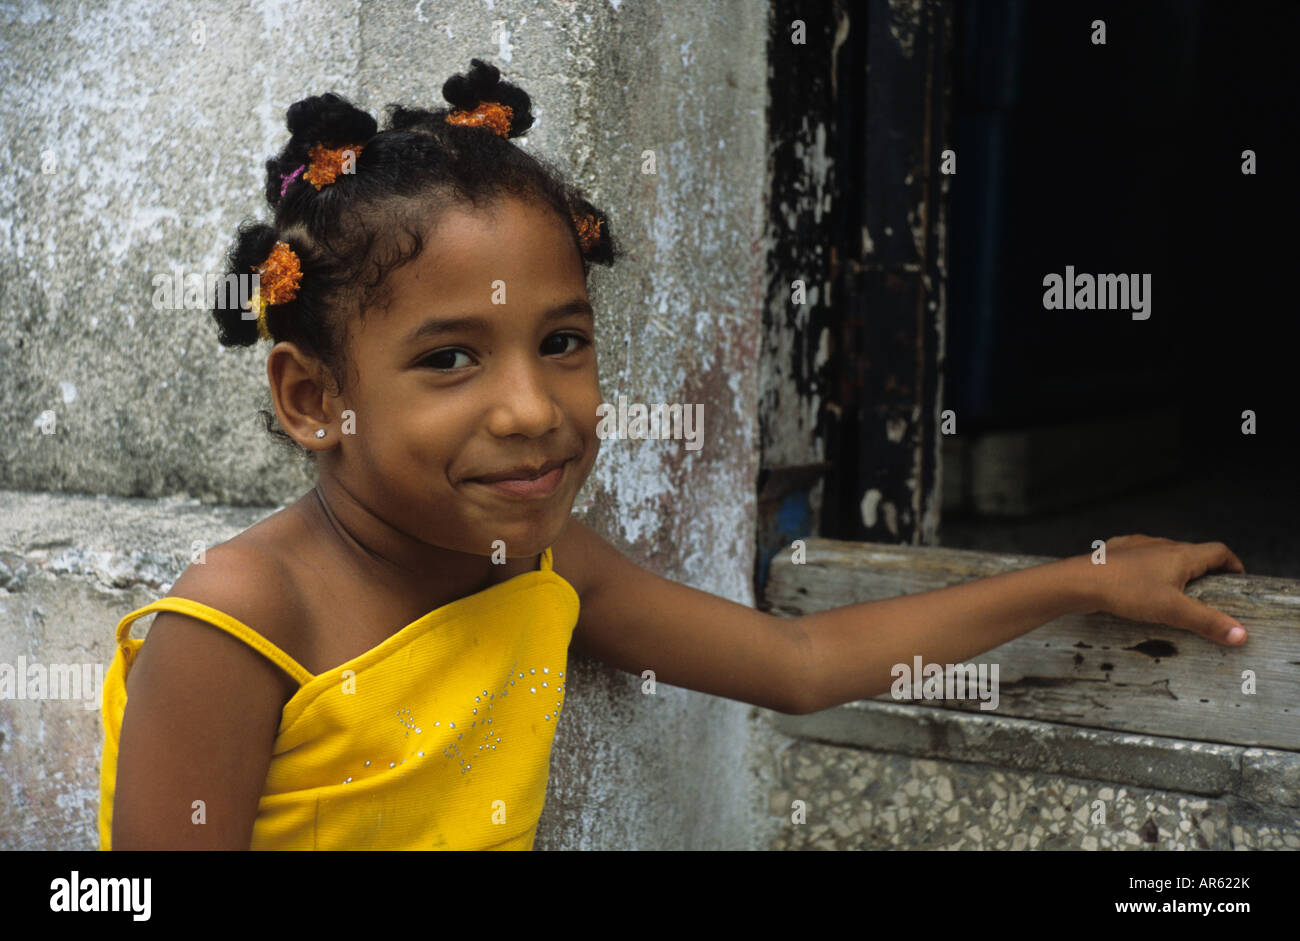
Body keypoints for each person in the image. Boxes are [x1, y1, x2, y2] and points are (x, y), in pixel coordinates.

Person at [99, 58, 1248, 851]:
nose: (531, 408)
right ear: (314, 397)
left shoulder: (541, 566)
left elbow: (795, 667)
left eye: (561, 342)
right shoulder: (246, 619)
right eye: (450, 359)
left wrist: (1081, 578)